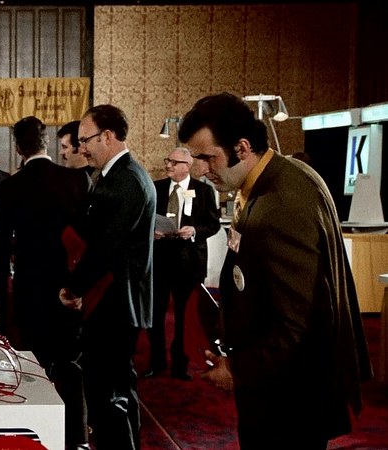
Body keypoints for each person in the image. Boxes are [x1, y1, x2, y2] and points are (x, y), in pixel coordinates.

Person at [177, 92, 372, 449]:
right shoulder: (275, 178)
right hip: (278, 383)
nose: (199, 170)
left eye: (206, 157)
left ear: (242, 148)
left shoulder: (280, 201)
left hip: (289, 395)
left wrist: (238, 370)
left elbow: (295, 322)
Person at [0, 116, 90, 450]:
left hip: (30, 288)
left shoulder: (10, 187)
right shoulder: (75, 179)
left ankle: (37, 433)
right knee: (70, 363)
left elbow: (0, 246)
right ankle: (77, 436)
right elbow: (88, 238)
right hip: (69, 286)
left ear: (18, 148)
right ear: (46, 143)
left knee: (34, 363)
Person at [59, 104, 156, 450]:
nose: (81, 148)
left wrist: (74, 287)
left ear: (108, 136)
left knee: (108, 396)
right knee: (117, 391)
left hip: (116, 301)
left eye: (85, 140)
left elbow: (105, 246)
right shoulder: (119, 176)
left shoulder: (126, 179)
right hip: (115, 299)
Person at [143, 147, 220, 381]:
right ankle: (156, 362)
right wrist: (151, 232)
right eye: (168, 160)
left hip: (189, 263)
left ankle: (180, 365)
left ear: (187, 165)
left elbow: (213, 224)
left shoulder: (204, 190)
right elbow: (145, 218)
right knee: (155, 315)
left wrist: (194, 230)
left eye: (174, 162)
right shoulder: (155, 187)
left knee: (184, 318)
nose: (168, 165)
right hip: (160, 261)